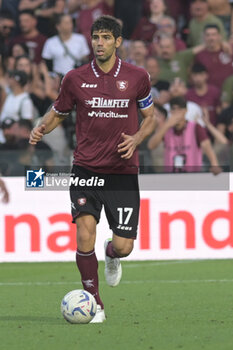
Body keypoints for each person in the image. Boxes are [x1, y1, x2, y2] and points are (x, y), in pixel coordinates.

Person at [29, 15, 156, 323]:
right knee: (84, 233)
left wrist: (137, 138)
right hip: (86, 170)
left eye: (105, 38)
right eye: (95, 37)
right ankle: (95, 304)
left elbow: (151, 117)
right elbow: (59, 112)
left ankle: (111, 255)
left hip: (123, 173)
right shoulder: (74, 78)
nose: (99, 43)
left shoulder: (138, 76)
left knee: (124, 246)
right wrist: (42, 127)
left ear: (117, 42)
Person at [147, 96, 221, 174]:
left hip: (192, 176)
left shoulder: (195, 127)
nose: (176, 112)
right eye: (173, 109)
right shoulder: (167, 129)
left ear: (185, 111)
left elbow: (207, 146)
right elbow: (151, 146)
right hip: (171, 176)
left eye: (179, 109)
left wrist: (214, 165)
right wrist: (166, 125)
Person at [195, 24, 233, 88]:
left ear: (219, 36)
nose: (211, 38)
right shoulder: (200, 55)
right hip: (211, 94)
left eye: (214, 34)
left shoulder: (229, 49)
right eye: (208, 35)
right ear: (204, 37)